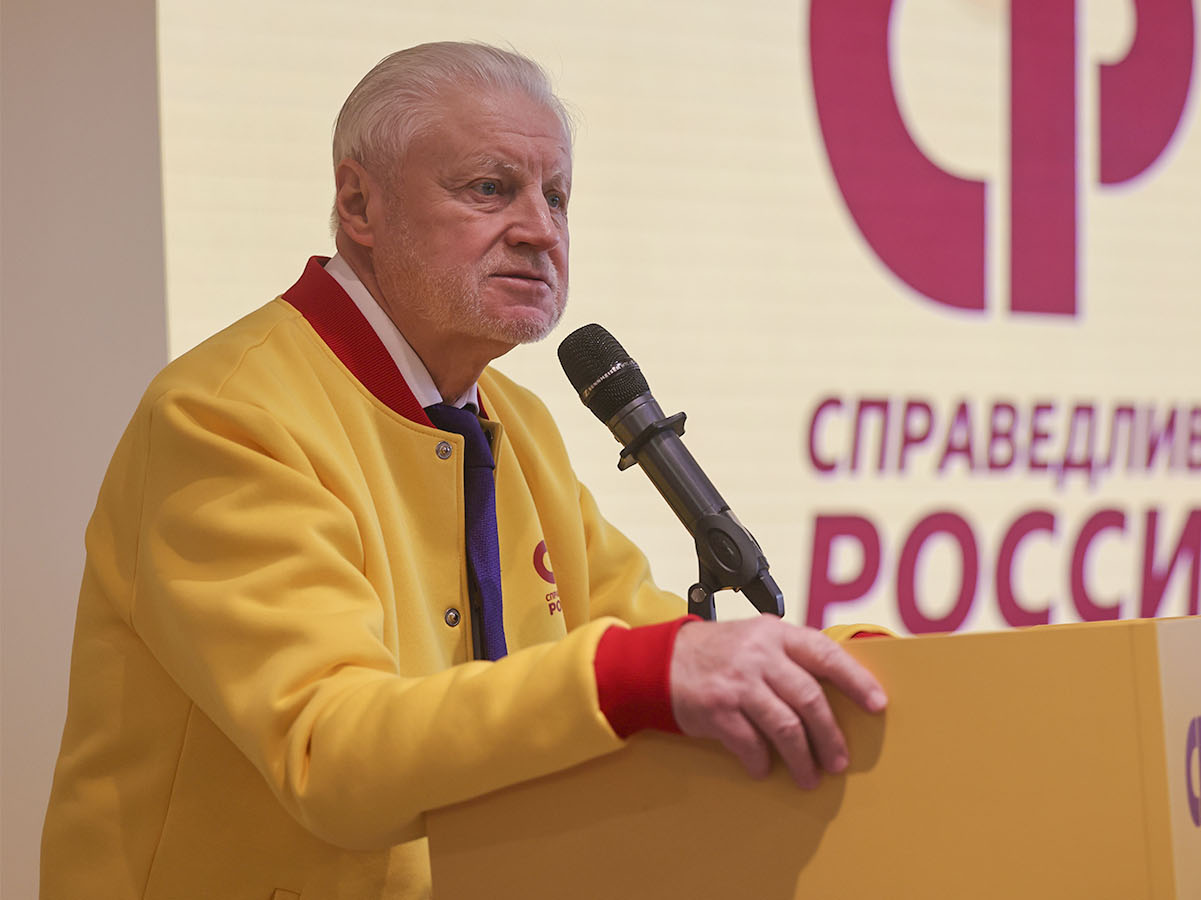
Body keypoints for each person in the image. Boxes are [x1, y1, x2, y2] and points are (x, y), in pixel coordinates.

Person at [40, 41, 887, 899]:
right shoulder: (226, 418)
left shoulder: (517, 420)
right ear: (358, 203)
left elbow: (649, 634)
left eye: (556, 197)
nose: (540, 229)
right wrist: (635, 678)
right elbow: (328, 752)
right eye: (489, 188)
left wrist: (879, 676)